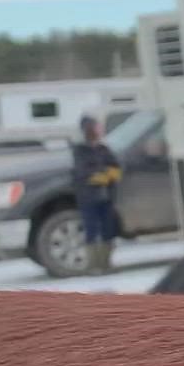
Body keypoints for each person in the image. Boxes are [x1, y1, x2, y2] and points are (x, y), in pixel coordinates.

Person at [70, 114, 122, 275]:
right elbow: (82, 171)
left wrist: (112, 174)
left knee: (108, 228)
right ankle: (94, 265)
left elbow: (115, 165)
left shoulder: (103, 149)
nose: (99, 129)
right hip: (88, 197)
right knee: (91, 229)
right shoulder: (80, 151)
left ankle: (106, 263)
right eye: (96, 126)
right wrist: (99, 176)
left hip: (106, 196)